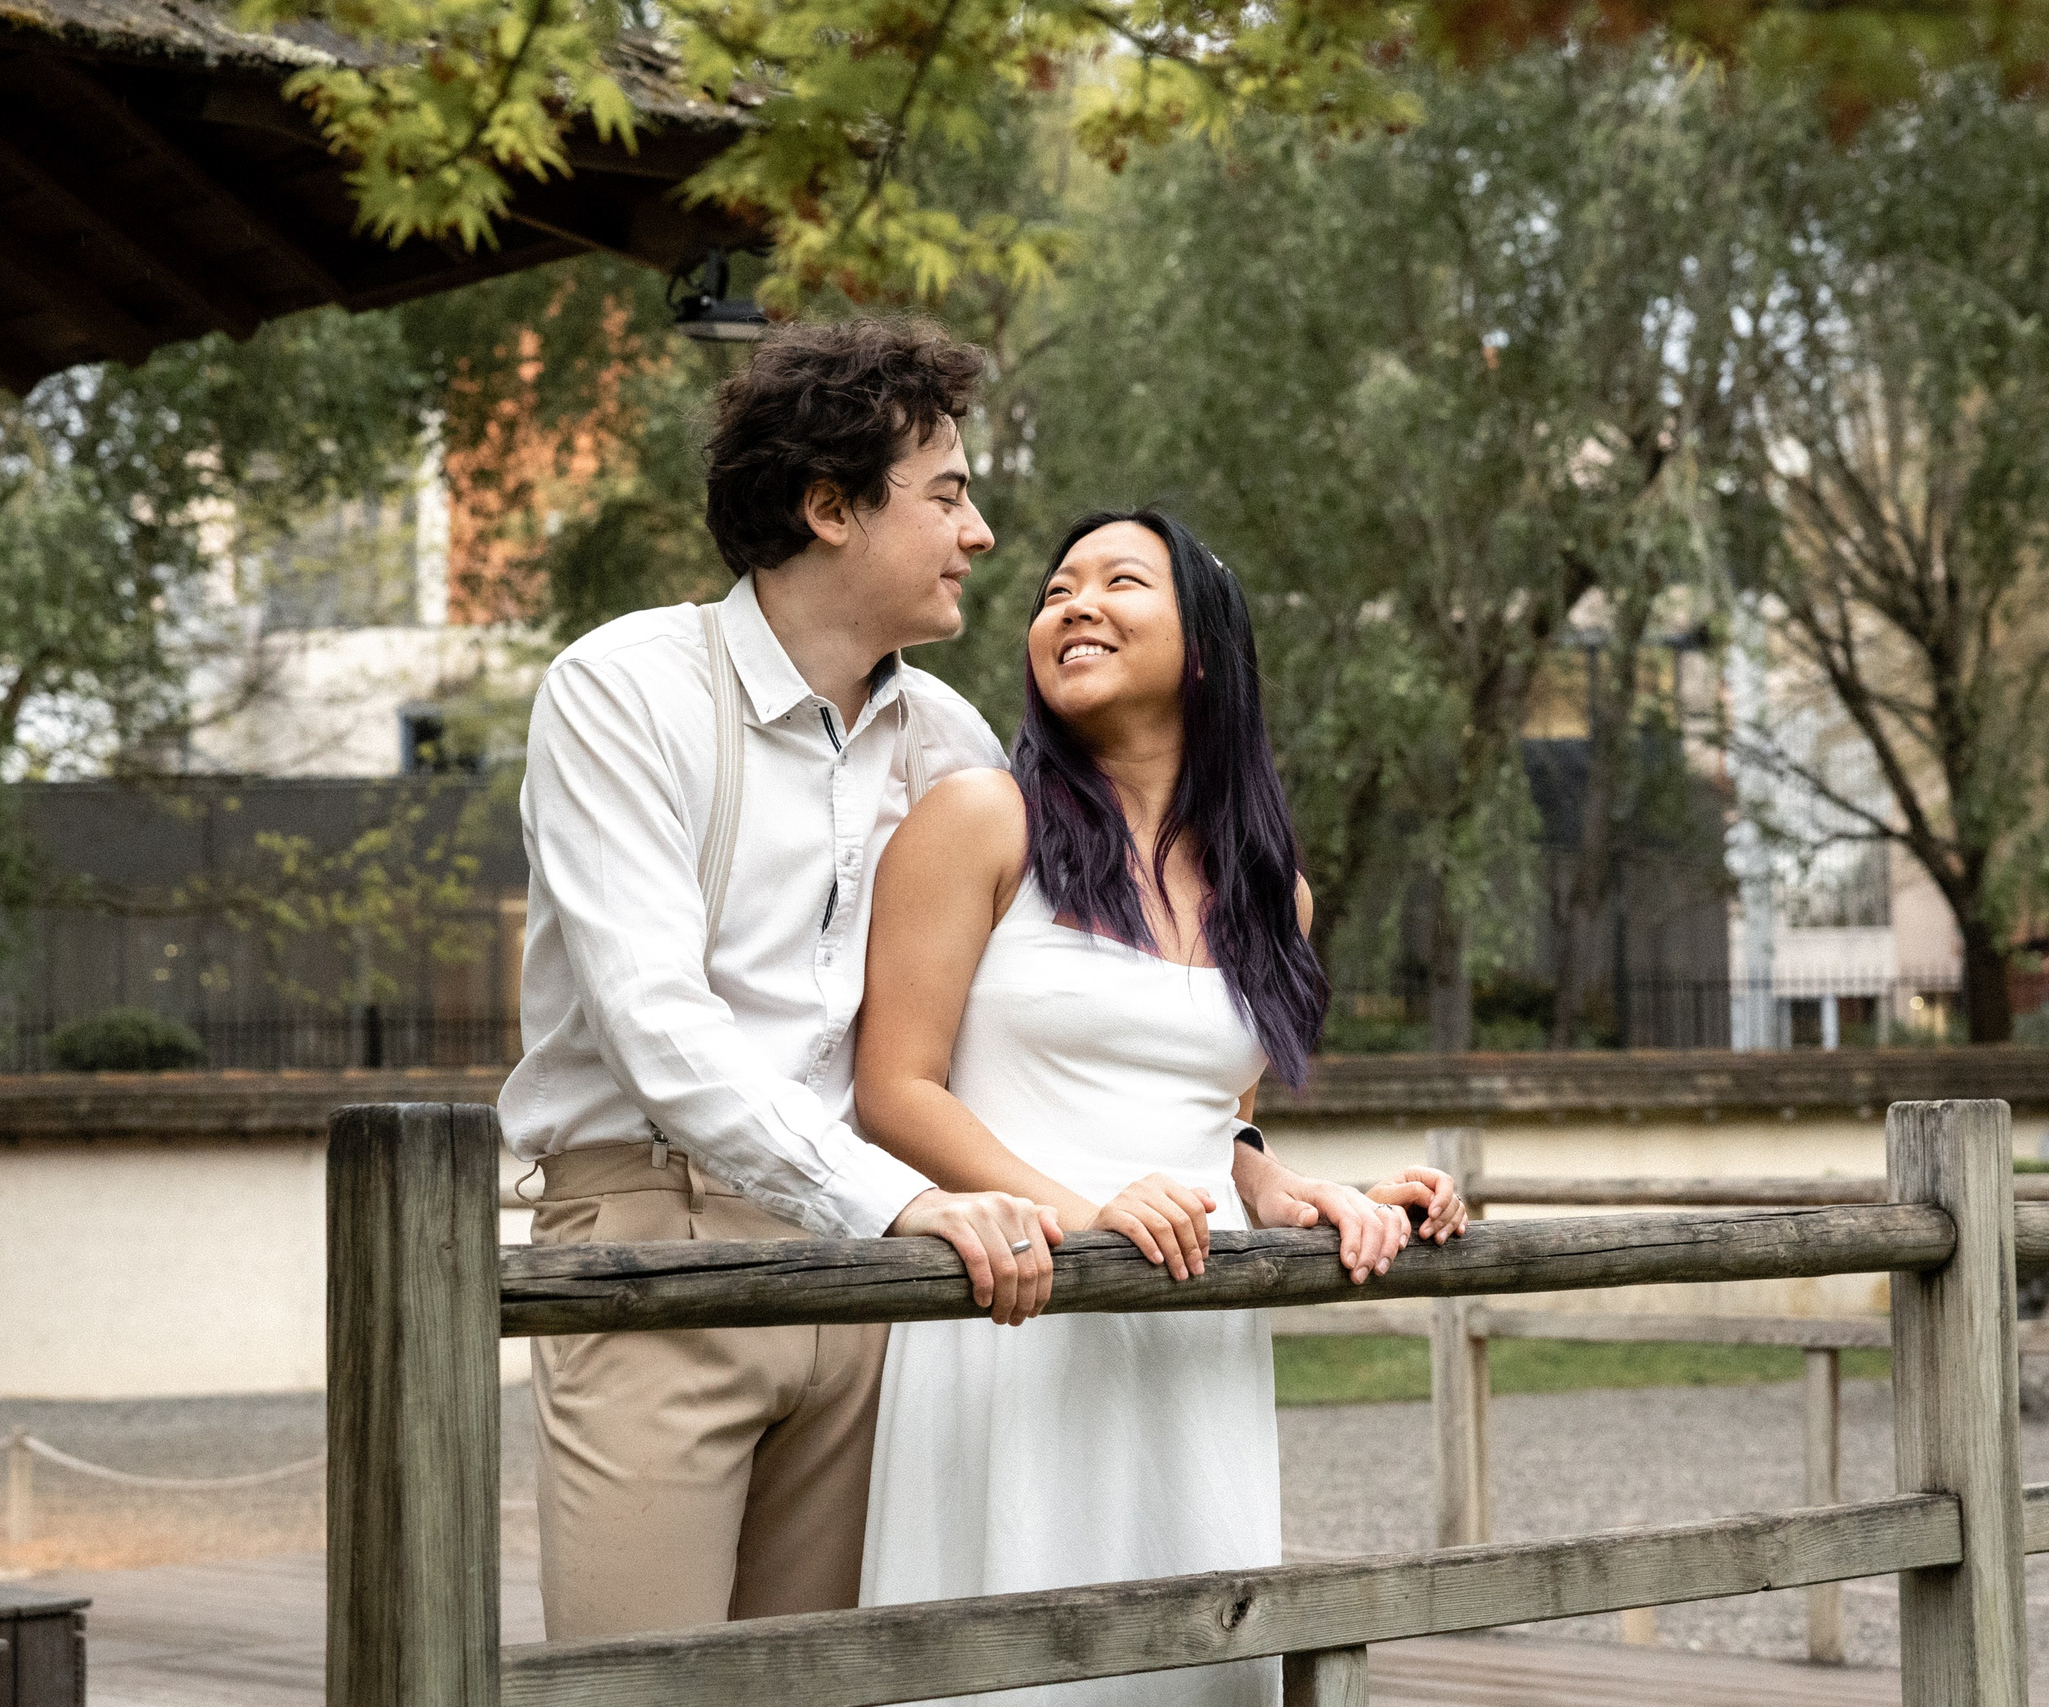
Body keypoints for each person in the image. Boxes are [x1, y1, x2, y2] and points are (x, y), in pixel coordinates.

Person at [502, 317, 1066, 1642]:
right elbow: (657, 1027)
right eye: (947, 494)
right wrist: (900, 1202)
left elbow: (1040, 1007)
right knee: (641, 1685)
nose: (981, 531)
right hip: (652, 1241)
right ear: (829, 508)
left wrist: (1250, 1156)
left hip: (883, 1270)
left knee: (821, 1683)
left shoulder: (952, 741)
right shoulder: (619, 690)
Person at [852, 508, 1471, 1705]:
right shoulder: (981, 818)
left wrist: (1291, 1191)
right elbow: (894, 1090)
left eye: (1119, 581)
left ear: (1202, 648)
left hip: (1190, 1335)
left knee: (1193, 1659)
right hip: (1018, 1316)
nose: (1071, 604)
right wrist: (1083, 1216)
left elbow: (1210, 1109)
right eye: (1054, 589)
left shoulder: (1268, 891)